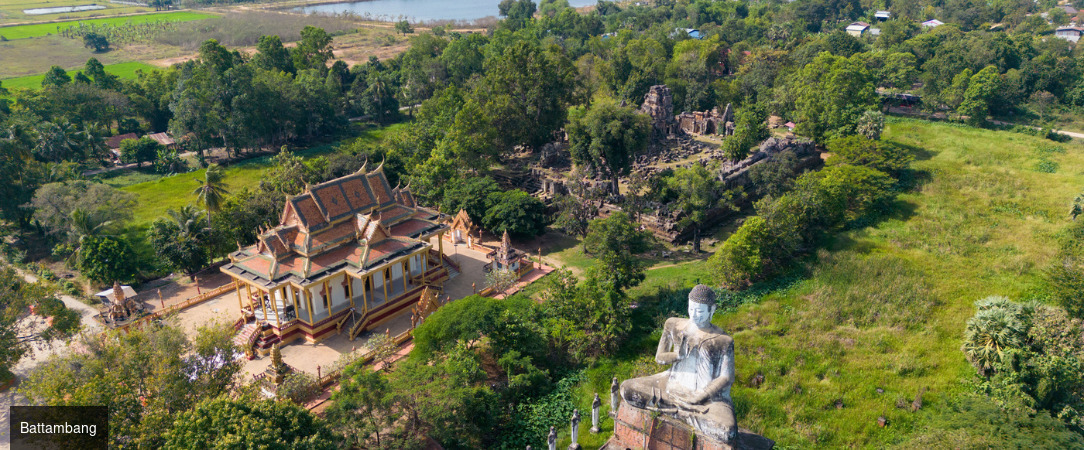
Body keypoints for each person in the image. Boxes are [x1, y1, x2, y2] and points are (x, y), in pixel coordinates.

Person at [620, 284, 736, 443]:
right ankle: (681, 409)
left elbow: (726, 377)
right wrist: (677, 356)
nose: (695, 315)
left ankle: (675, 408)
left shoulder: (723, 340)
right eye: (692, 309)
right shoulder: (673, 324)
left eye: (700, 311)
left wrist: (700, 396)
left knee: (727, 432)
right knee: (627, 388)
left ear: (712, 310)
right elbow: (659, 357)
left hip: (706, 398)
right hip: (670, 382)